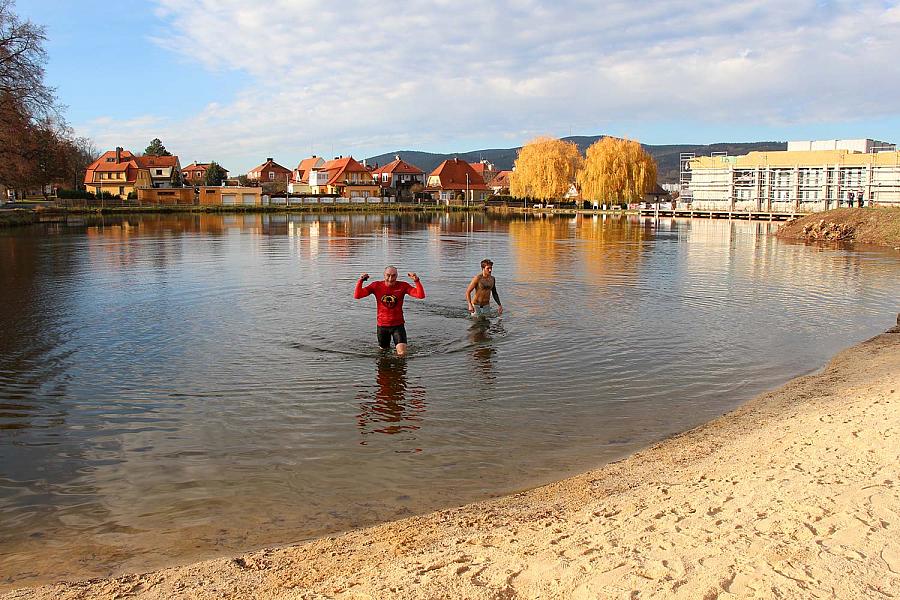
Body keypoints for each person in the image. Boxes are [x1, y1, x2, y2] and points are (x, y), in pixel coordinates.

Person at [354, 266, 425, 356]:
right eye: (388, 275)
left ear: (397, 276)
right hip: (382, 326)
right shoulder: (376, 285)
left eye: (393, 276)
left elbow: (420, 295)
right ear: (384, 275)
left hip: (398, 325)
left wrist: (416, 280)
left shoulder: (403, 286)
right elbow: (357, 295)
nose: (390, 279)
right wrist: (360, 281)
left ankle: (399, 369)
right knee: (384, 353)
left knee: (402, 353)